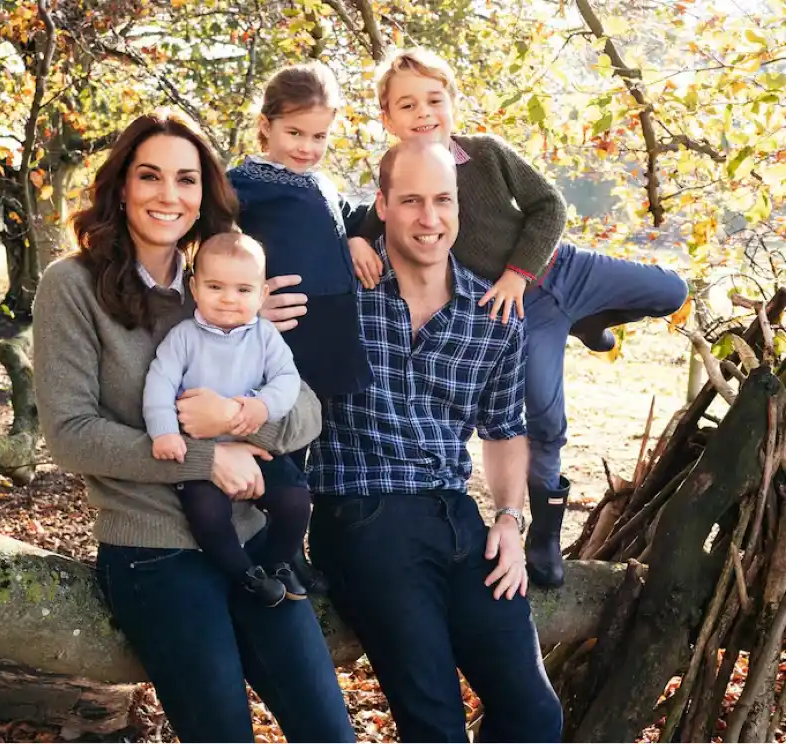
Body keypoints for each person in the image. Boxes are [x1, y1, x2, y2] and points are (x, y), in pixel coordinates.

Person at [32, 110, 355, 743]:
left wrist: (239, 421)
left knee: (329, 732)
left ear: (205, 194)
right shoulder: (71, 286)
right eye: (150, 176)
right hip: (155, 551)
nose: (169, 195)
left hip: (253, 540)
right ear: (121, 185)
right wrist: (209, 459)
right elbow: (70, 434)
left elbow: (306, 409)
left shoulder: (221, 283)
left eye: (186, 179)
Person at [348, 47, 689, 587]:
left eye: (434, 100)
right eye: (407, 105)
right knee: (544, 417)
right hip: (522, 313)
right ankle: (545, 536)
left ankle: (590, 320)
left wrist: (517, 271)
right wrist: (353, 241)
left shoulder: (486, 153)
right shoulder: (404, 182)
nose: (424, 113)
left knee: (672, 289)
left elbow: (549, 205)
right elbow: (370, 222)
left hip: (562, 269)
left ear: (452, 103)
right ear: (387, 118)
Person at [309, 140, 563, 742]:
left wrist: (509, 519)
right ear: (382, 205)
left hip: (457, 518)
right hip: (363, 514)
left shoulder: (492, 313)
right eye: (412, 201)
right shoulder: (337, 290)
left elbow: (504, 429)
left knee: (535, 716)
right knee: (436, 726)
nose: (430, 218)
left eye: (443, 200)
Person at [143, 232, 310, 607]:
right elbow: (159, 383)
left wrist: (262, 406)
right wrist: (164, 432)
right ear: (194, 288)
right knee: (207, 514)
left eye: (243, 290)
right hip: (201, 455)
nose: (228, 299)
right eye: (215, 287)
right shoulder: (183, 338)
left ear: (261, 295)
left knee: (295, 500)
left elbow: (287, 380)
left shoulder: (265, 336)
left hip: (252, 448)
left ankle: (277, 563)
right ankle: (244, 575)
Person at [228, 61, 373, 408]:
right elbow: (210, 250)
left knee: (324, 427)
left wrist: (355, 238)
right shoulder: (242, 183)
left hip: (332, 337)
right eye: (295, 133)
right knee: (283, 426)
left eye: (319, 137)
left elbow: (355, 218)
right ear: (266, 125)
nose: (307, 147)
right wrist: (245, 305)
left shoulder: (322, 183)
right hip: (286, 335)